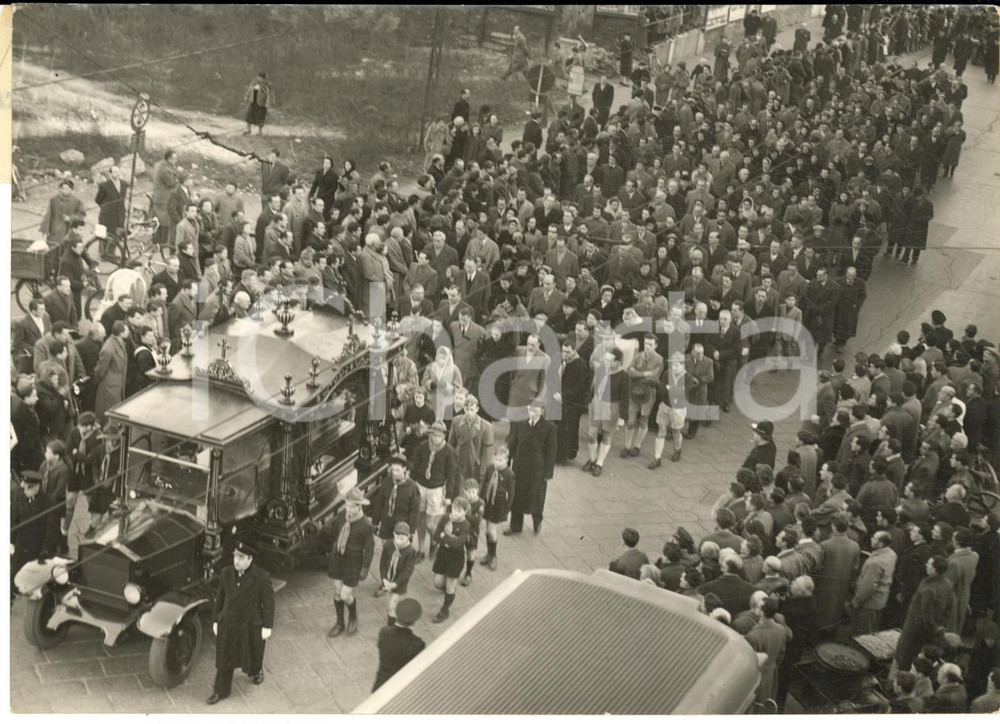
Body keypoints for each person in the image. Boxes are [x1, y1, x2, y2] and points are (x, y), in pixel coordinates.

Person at [207, 542, 275, 704]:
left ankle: (256, 670)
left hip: (250, 624)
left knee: (252, 652)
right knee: (224, 658)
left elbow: (269, 603)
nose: (236, 561)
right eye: (235, 556)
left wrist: (267, 626)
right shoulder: (226, 573)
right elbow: (220, 598)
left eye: (241, 557)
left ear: (250, 559)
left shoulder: (261, 577)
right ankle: (221, 690)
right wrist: (217, 619)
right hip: (229, 623)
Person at [325, 487, 375, 638]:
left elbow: (370, 548)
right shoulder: (343, 516)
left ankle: (353, 617)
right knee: (337, 592)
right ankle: (340, 623)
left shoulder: (365, 525)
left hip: (353, 563)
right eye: (346, 505)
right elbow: (334, 532)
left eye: (351, 506)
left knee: (346, 595)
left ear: (359, 506)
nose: (347, 509)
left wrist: (365, 568)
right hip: (338, 559)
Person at [431, 496, 471, 623]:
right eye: (454, 509)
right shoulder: (445, 518)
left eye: (459, 511)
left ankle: (445, 609)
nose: (455, 513)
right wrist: (449, 538)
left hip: (456, 557)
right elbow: (436, 535)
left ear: (465, 511)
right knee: (437, 583)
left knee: (450, 584)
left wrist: (445, 537)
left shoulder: (466, 525)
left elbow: (457, 543)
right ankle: (450, 590)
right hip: (443, 554)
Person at [372, 598, 425, 692]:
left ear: (397, 615)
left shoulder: (384, 632)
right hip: (400, 687)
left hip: (380, 684)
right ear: (415, 620)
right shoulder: (417, 644)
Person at [479, 445, 515, 570]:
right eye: (495, 459)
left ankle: (493, 556)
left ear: (506, 459)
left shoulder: (509, 474)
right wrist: (480, 500)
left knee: (491, 530)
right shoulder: (490, 469)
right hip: (488, 503)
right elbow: (483, 485)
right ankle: (488, 554)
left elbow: (511, 494)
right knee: (487, 529)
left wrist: (506, 511)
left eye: (500, 460)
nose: (497, 463)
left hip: (499, 505)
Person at [376, 522, 418, 626]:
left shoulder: (410, 551)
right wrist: (384, 579)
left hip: (400, 581)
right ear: (394, 534)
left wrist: (396, 583)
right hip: (389, 577)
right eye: (397, 537)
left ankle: (391, 625)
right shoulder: (389, 545)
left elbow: (408, 571)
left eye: (402, 538)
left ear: (408, 536)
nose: (399, 541)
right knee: (392, 603)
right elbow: (383, 563)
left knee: (392, 605)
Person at [95, 165, 128, 234]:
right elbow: (98, 200)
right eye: (115, 172)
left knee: (116, 239)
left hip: (119, 217)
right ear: (110, 174)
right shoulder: (104, 185)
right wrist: (106, 208)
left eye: (118, 171)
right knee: (104, 238)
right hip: (107, 217)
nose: (117, 173)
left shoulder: (124, 184)